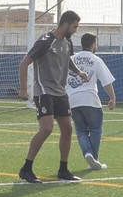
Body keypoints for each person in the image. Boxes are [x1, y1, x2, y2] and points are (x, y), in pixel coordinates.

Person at [16, 10, 88, 184]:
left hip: (60, 92)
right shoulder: (46, 41)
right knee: (47, 128)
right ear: (66, 24)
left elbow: (67, 59)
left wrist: (78, 72)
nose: (76, 30)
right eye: (75, 26)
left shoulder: (67, 42)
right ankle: (26, 168)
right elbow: (24, 63)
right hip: (44, 91)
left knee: (67, 129)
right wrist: (24, 89)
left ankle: (63, 170)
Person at [69, 32, 117, 171]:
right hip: (90, 99)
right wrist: (112, 98)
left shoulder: (71, 59)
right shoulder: (96, 60)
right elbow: (106, 81)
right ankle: (93, 160)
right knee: (95, 130)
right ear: (93, 44)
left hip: (73, 100)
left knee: (81, 131)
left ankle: (87, 153)